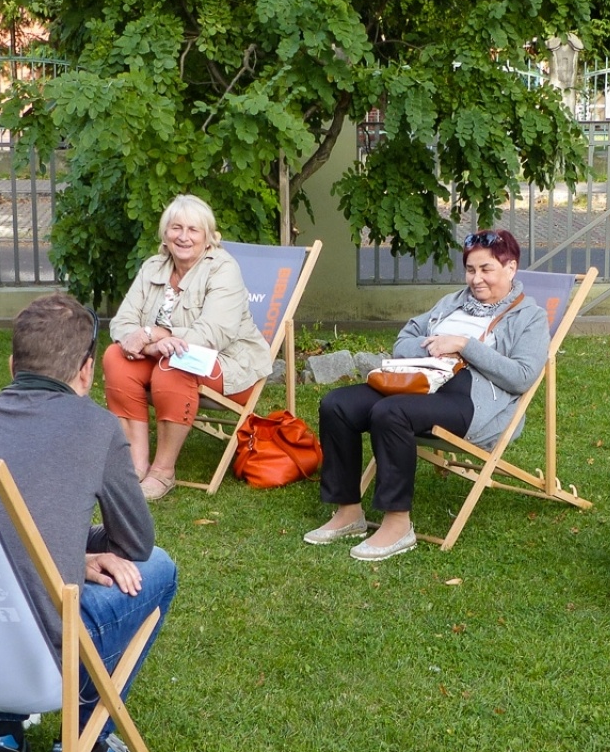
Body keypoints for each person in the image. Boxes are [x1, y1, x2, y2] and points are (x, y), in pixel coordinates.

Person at [0, 293, 178, 752]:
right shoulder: (97, 425)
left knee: (10, 577)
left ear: (11, 363)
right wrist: (80, 545)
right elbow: (135, 542)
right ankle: (86, 743)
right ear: (87, 371)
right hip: (47, 643)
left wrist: (75, 545)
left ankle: (2, 735)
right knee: (159, 567)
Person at [305, 229, 548, 561]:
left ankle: (397, 525)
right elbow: (405, 339)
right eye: (471, 270)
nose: (476, 279)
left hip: (470, 399)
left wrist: (463, 347)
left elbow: (521, 377)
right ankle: (348, 512)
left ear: (511, 268)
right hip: (420, 380)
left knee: (391, 413)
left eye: (486, 269)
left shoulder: (530, 316)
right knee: (338, 404)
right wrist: (433, 352)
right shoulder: (453, 303)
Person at [104, 194, 269, 500]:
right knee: (116, 357)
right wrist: (148, 342)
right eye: (175, 228)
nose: (183, 236)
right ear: (165, 235)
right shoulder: (154, 267)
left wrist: (155, 335)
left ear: (208, 237)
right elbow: (122, 322)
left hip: (231, 365)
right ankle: (135, 465)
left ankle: (163, 472)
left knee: (175, 363)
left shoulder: (223, 269)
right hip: (163, 358)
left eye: (193, 230)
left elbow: (213, 333)